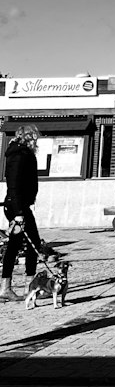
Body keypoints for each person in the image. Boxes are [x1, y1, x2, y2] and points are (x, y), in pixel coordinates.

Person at [1, 124, 41, 302]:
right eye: (34, 137)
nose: (36, 140)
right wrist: (18, 213)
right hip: (18, 207)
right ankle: (28, 287)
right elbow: (14, 185)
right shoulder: (19, 155)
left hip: (19, 205)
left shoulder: (21, 153)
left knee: (15, 245)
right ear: (28, 137)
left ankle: (7, 287)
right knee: (33, 243)